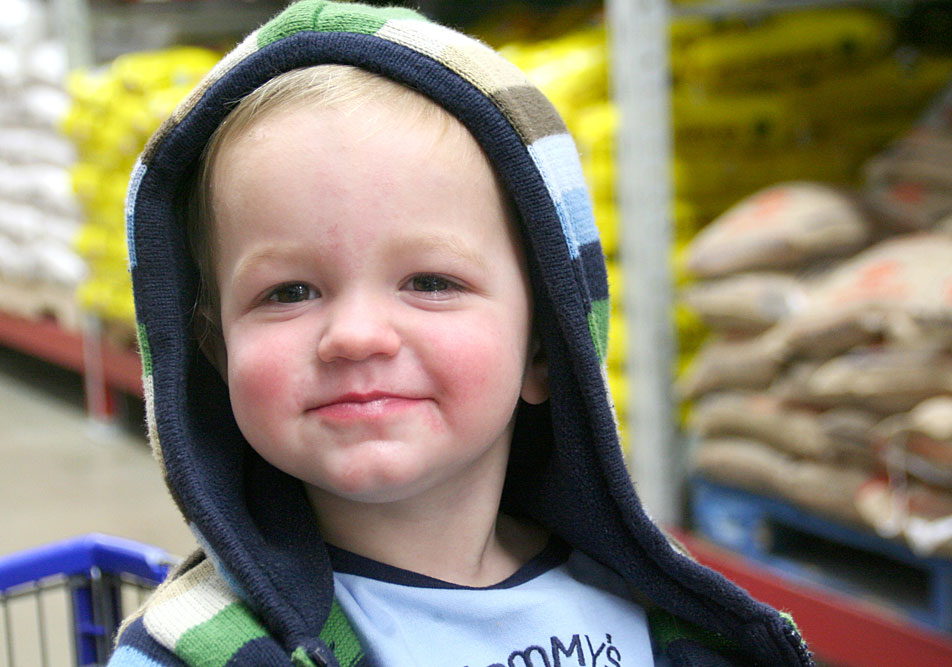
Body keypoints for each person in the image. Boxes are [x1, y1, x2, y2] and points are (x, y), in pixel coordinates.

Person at [110, 2, 811, 665]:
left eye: (430, 282)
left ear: (545, 343)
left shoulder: (660, 610)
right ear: (215, 349)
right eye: (288, 292)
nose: (355, 335)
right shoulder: (201, 647)